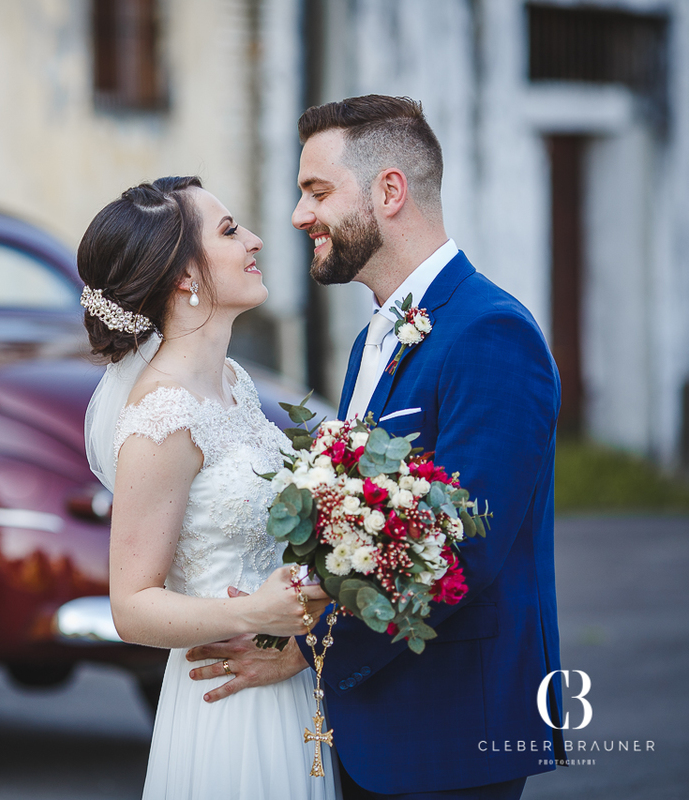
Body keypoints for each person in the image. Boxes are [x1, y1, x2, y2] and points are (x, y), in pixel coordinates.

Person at [185, 95, 566, 799]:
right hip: (367, 728)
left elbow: (460, 549)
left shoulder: (491, 333)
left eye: (318, 192)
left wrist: (310, 650)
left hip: (448, 728)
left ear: (390, 191)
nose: (300, 216)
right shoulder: (372, 338)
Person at [79, 176, 338, 800]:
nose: (253, 240)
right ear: (183, 279)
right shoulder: (160, 417)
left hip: (287, 683)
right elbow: (131, 606)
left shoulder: (233, 381)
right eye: (228, 231)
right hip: (227, 700)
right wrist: (254, 612)